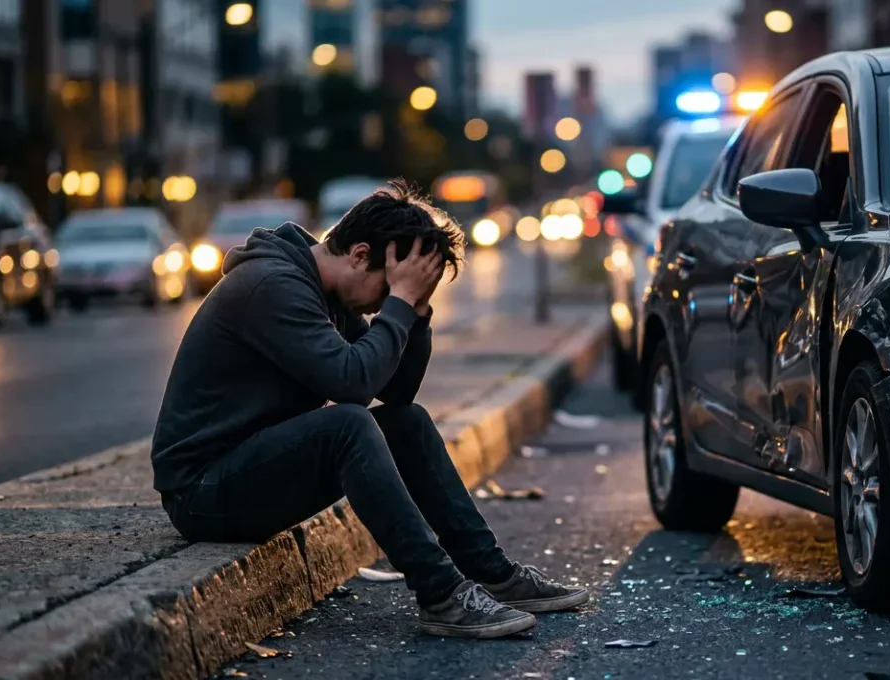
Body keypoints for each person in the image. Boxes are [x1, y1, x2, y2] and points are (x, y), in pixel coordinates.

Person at [151, 180, 588, 639]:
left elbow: (396, 393)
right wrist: (397, 304)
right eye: (386, 287)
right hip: (201, 491)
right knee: (348, 425)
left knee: (408, 424)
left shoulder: (327, 291)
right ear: (359, 255)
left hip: (251, 467)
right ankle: (441, 594)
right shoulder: (272, 286)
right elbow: (352, 385)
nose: (383, 303)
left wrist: (415, 311)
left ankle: (493, 573)